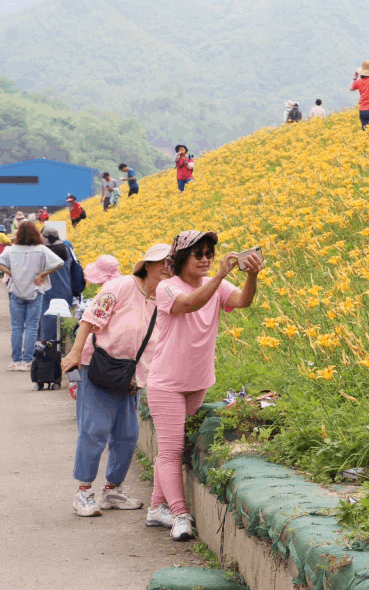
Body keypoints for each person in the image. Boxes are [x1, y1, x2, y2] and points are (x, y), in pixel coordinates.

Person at [146, 230, 262, 541]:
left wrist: (251, 276)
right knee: (172, 450)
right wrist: (221, 273)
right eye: (199, 254)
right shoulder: (167, 287)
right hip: (166, 383)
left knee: (171, 449)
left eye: (210, 253)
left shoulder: (219, 285)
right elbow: (189, 304)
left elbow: (243, 301)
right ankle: (181, 516)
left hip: (197, 382)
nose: (206, 259)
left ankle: (157, 507)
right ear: (182, 259)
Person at [61, 244, 171, 518]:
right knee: (94, 431)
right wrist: (75, 352)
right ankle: (83, 492)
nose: (168, 268)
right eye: (162, 262)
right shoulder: (121, 286)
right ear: (147, 265)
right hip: (99, 366)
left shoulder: (166, 297)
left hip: (131, 376)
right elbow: (90, 318)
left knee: (128, 435)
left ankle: (112, 490)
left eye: (173, 263)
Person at [0, 221, 64, 370]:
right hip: (35, 289)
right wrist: (43, 274)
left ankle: (16, 361)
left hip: (16, 290)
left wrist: (11, 274)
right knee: (32, 327)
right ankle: (27, 360)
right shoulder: (41, 249)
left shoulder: (11, 250)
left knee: (16, 327)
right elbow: (59, 262)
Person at [39, 224, 75, 341]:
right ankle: (62, 345)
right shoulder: (67, 249)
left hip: (47, 290)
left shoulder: (43, 252)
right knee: (64, 319)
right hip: (66, 289)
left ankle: (48, 346)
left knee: (47, 319)